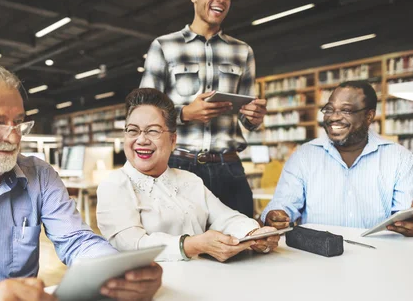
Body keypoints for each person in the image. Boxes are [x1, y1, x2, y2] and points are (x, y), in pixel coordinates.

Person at [0, 58, 162, 301]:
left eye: (19, 123)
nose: (14, 138)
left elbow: (77, 241)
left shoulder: (39, 175)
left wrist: (122, 273)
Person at [97, 88, 279, 262]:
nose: (142, 140)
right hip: (152, 288)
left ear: (173, 140)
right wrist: (192, 245)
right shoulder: (114, 185)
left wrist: (254, 235)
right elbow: (132, 244)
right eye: (133, 130)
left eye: (153, 131)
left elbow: (226, 217)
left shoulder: (190, 180)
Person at [139, 0, 267, 218]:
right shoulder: (163, 46)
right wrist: (184, 114)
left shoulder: (243, 51)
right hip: (179, 165)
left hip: (229, 167)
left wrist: (254, 117)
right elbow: (143, 112)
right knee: (182, 247)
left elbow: (247, 117)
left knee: (244, 243)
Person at [261, 81, 413, 237]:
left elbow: (408, 218)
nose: (334, 117)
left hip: (379, 260)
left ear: (369, 116)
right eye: (329, 109)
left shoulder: (399, 158)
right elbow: (282, 205)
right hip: (317, 260)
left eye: (345, 110)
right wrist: (274, 216)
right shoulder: (303, 157)